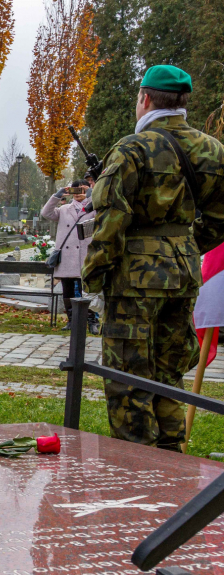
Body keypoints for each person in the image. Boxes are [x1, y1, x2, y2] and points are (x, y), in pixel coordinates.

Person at [83, 64, 224, 452]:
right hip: (183, 273)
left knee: (128, 378)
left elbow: (111, 219)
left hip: (134, 281)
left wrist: (94, 277)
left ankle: (138, 468)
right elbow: (221, 217)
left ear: (145, 98)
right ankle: (173, 463)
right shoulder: (213, 150)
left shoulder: (134, 147)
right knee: (169, 372)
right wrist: (185, 245)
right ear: (183, 100)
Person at [41, 180, 99, 334]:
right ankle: (72, 320)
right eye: (76, 190)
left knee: (88, 290)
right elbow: (45, 213)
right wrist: (57, 195)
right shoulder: (64, 209)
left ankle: (92, 320)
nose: (79, 193)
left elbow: (104, 214)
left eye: (82, 190)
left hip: (86, 255)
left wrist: (92, 195)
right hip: (67, 256)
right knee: (67, 290)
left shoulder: (93, 208)